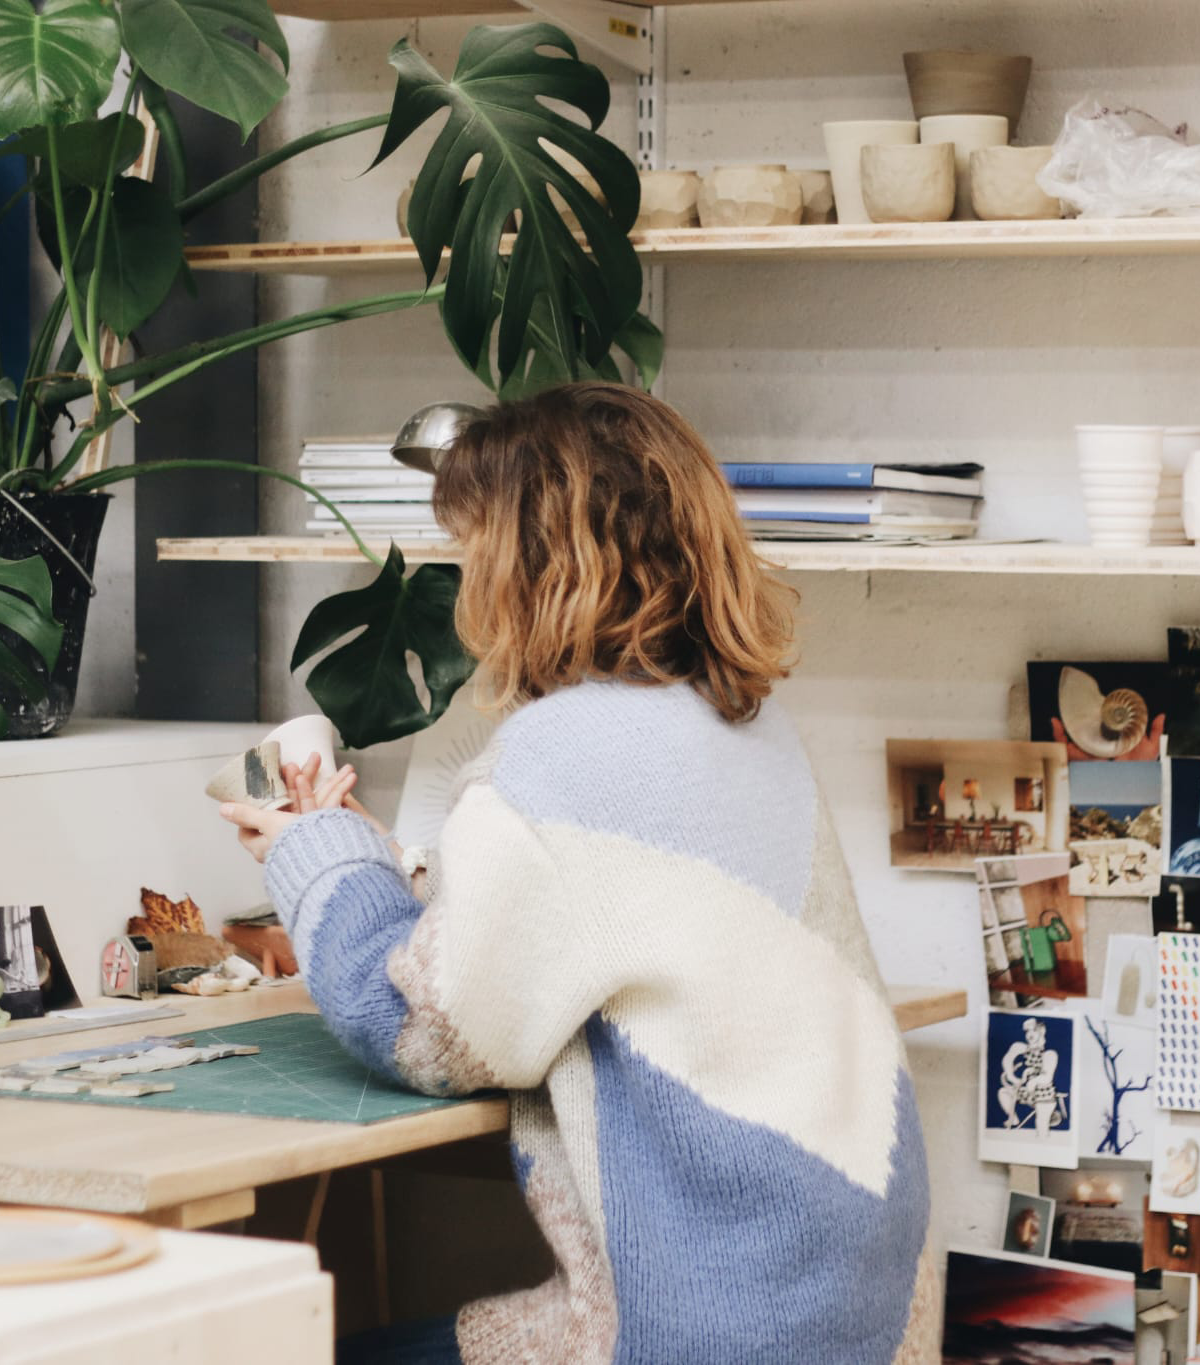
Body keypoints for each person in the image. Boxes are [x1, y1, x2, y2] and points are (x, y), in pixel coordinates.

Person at [220, 382, 934, 1365]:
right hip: (859, 1322)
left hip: (700, 1337)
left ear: (525, 568)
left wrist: (313, 850)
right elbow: (576, 923)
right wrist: (385, 864)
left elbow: (423, 1029)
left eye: (470, 553)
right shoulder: (749, 726)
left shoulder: (561, 756)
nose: (464, 587)